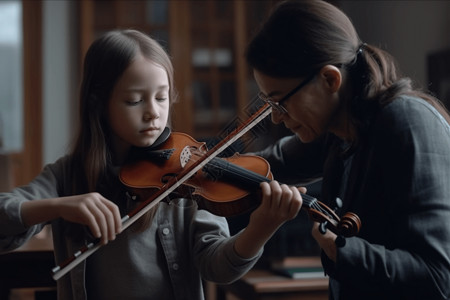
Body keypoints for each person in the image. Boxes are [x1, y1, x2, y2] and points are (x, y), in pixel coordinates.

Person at [0, 29, 303, 300]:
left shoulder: (186, 175)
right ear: (97, 103)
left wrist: (261, 227)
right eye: (134, 101)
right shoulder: (69, 175)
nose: (153, 114)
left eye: (161, 98)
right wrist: (58, 206)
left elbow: (218, 268)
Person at [245, 1, 450, 299]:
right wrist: (193, 166)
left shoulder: (407, 122)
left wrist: (341, 249)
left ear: (330, 79)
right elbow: (269, 164)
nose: (276, 117)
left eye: (280, 102)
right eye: (269, 104)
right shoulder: (338, 134)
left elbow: (438, 277)